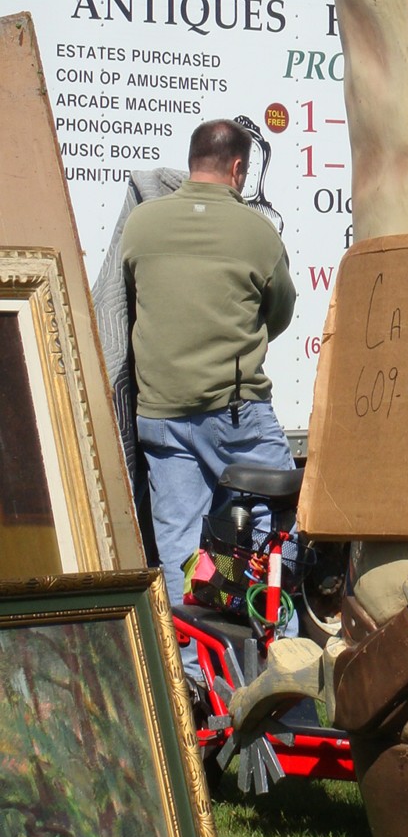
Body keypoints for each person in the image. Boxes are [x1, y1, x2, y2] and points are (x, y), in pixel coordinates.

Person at [121, 118, 298, 662]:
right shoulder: (257, 232)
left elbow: (132, 298)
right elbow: (279, 312)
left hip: (161, 415)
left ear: (193, 160)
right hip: (234, 415)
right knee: (277, 526)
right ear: (239, 168)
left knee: (180, 545)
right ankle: (280, 657)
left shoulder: (142, 224)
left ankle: (195, 675)